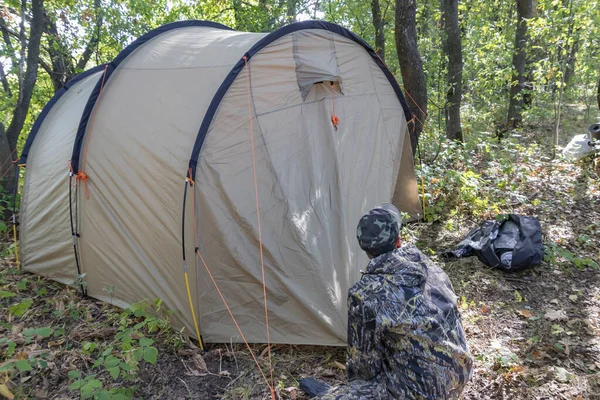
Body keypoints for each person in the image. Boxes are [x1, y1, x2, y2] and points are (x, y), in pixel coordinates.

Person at [300, 203, 473, 399]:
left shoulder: (364, 295)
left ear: (363, 247)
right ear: (398, 241)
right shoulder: (430, 267)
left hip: (422, 393)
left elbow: (364, 369)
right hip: (460, 374)